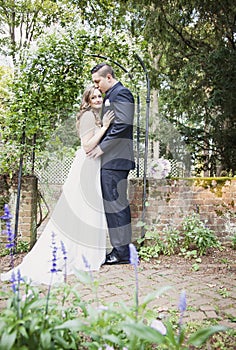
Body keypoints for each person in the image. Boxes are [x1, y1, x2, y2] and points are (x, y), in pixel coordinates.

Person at [1, 86, 114, 285]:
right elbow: (87, 146)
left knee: (87, 209)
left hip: (93, 166)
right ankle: (79, 256)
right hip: (86, 165)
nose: (97, 99)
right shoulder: (88, 116)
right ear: (87, 101)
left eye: (99, 96)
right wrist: (104, 128)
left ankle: (86, 253)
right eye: (93, 97)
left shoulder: (95, 116)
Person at [88, 63, 135, 265]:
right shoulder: (110, 95)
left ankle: (122, 253)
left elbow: (123, 125)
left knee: (116, 205)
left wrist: (102, 147)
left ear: (108, 77)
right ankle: (120, 249)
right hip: (112, 159)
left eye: (97, 81)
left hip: (116, 159)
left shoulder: (122, 93)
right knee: (113, 204)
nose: (96, 86)